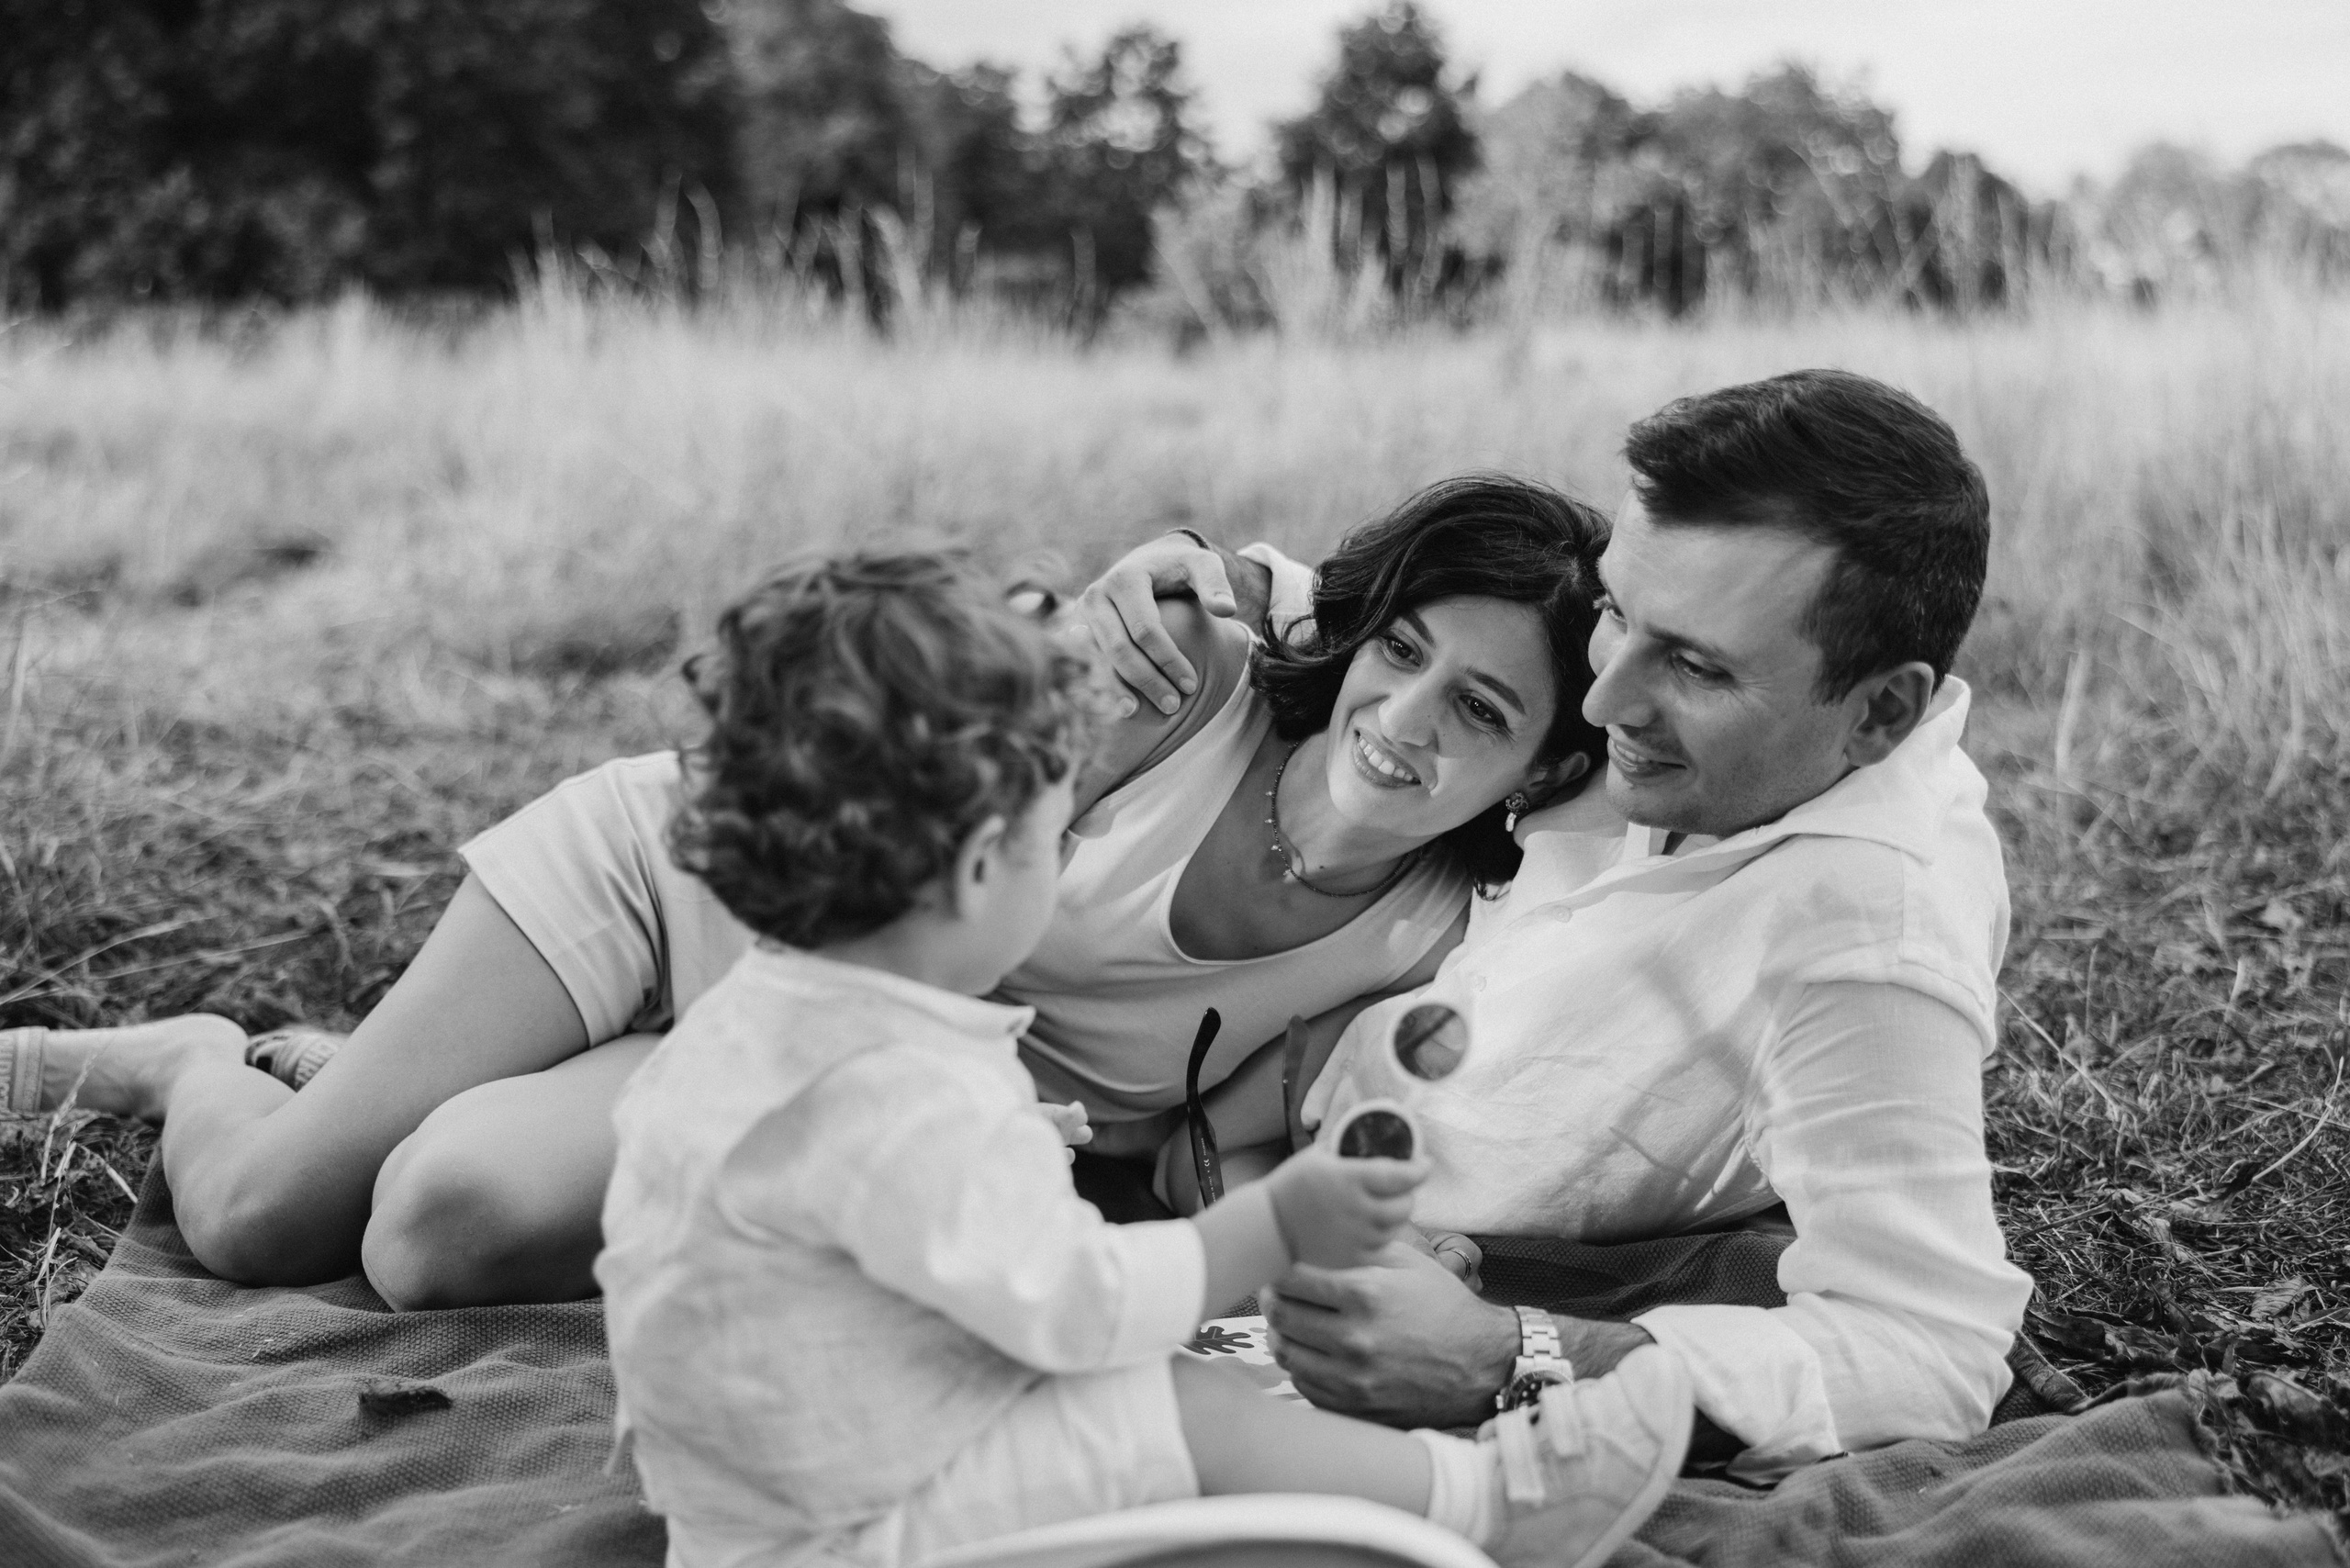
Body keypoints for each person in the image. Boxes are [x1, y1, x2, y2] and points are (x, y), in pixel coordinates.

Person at [0, 477, 1610, 1310]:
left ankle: (368, 1069)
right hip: (704, 888)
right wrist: (1118, 646)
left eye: (1483, 707)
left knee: (433, 1231)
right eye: (1404, 648)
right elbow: (896, 736)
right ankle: (191, 1058)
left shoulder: (1429, 937)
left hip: (805, 1065)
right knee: (260, 1216)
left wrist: (1310, 1252)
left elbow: (1219, 1154)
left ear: (1542, 764)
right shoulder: (1190, 673)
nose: (1405, 717)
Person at [595, 549, 1692, 1568]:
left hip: (742, 1499)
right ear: (984, 864)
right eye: (1046, 835)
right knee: (1182, 1405)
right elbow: (1085, 1306)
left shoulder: (760, 1025)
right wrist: (1274, 1224)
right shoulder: (912, 1092)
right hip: (865, 1515)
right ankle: (1486, 1502)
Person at [1078, 368, 2035, 1481]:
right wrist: (1197, 575)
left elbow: (1930, 1350)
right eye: (1622, 615)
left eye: (1693, 664)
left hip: (1360, 1281)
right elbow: (1416, 630)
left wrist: (1508, 1352)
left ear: (1878, 710)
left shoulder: (1871, 940)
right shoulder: (1667, 726)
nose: (1601, 700)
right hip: (1242, 1148)